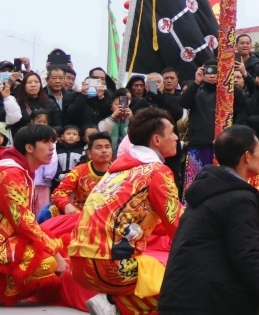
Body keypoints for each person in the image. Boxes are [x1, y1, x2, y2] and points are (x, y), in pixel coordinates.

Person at [158, 125, 259, 315]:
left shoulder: (207, 188)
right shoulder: (240, 198)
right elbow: (247, 259)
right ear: (247, 156)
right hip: (204, 304)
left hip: (179, 297)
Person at [68, 110, 182, 315]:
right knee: (188, 288)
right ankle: (114, 302)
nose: (176, 137)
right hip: (112, 267)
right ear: (157, 139)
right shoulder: (157, 172)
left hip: (78, 265)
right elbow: (180, 228)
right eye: (172, 132)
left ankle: (112, 302)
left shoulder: (117, 171)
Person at [0, 124, 66, 307]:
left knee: (58, 243)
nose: (51, 148)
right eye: (46, 142)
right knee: (48, 264)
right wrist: (55, 254)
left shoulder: (20, 170)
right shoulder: (12, 174)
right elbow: (22, 221)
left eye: (53, 142)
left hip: (1, 231)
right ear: (29, 148)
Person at [50, 133, 112, 215]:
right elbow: (58, 193)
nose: (104, 150)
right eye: (99, 147)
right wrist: (66, 205)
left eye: (107, 147)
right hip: (81, 216)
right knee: (53, 209)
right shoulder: (79, 171)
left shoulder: (120, 172)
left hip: (109, 215)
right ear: (89, 153)